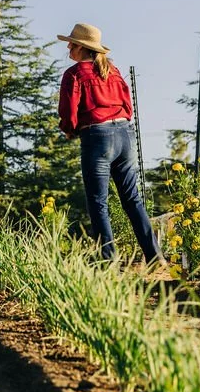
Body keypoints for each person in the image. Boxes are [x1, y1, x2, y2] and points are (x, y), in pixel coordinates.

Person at [57, 23, 161, 264]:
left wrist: (70, 129)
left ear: (80, 47)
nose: (68, 48)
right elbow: (128, 106)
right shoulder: (112, 71)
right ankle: (155, 255)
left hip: (98, 137)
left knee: (98, 202)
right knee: (132, 199)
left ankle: (108, 260)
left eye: (71, 44)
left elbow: (68, 112)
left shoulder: (74, 74)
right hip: (125, 135)